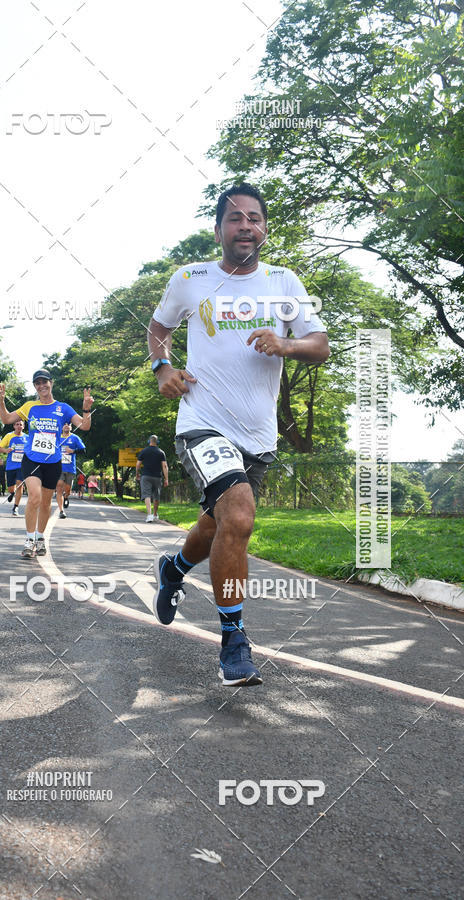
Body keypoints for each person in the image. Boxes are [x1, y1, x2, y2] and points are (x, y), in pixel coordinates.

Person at [148, 182, 329, 686]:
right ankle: (234, 641)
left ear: (264, 228)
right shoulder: (191, 279)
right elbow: (159, 328)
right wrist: (163, 368)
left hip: (259, 435)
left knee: (219, 525)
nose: (245, 225)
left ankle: (173, 570)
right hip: (202, 420)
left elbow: (320, 344)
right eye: (234, 218)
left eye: (254, 217)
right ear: (218, 230)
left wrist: (286, 345)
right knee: (241, 516)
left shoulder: (284, 283)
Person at [0, 371, 93, 558]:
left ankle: (40, 538)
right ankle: (29, 539)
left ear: (51, 383)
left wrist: (86, 409)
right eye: (37, 383)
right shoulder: (30, 406)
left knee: (46, 502)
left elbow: (84, 426)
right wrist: (1, 401)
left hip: (53, 462)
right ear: (35, 387)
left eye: (44, 382)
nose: (41, 386)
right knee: (34, 496)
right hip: (32, 459)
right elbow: (7, 419)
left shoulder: (63, 408)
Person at [0, 418, 28, 516]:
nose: (19, 426)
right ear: (14, 426)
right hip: (11, 466)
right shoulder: (9, 436)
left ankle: (16, 507)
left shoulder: (27, 438)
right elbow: (0, 448)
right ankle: (12, 493)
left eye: (21, 424)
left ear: (23, 426)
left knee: (20, 484)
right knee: (11, 488)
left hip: (22, 466)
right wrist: (6, 450)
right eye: (17, 424)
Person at [56, 423, 85, 519]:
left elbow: (83, 450)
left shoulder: (75, 438)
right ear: (61, 427)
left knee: (67, 489)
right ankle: (61, 511)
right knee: (59, 486)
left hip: (70, 468)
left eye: (68, 425)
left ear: (71, 427)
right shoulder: (56, 437)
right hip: (58, 467)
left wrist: (73, 451)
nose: (66, 426)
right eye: (64, 424)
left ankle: (66, 497)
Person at [136, 435, 168, 522]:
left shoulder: (144, 451)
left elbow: (138, 465)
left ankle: (149, 515)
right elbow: (164, 466)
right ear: (157, 442)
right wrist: (166, 479)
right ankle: (154, 514)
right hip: (157, 477)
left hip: (145, 476)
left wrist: (137, 474)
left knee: (147, 495)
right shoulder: (161, 452)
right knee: (156, 496)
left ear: (149, 441)